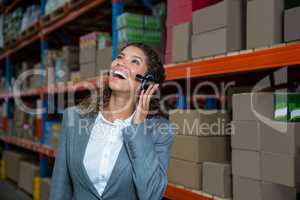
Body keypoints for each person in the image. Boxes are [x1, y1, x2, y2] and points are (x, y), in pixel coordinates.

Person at [49, 43, 175, 200]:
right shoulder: (73, 118)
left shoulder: (161, 131)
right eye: (120, 57)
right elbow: (60, 186)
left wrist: (139, 128)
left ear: (147, 83)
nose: (120, 63)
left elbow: (152, 195)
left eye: (134, 61)